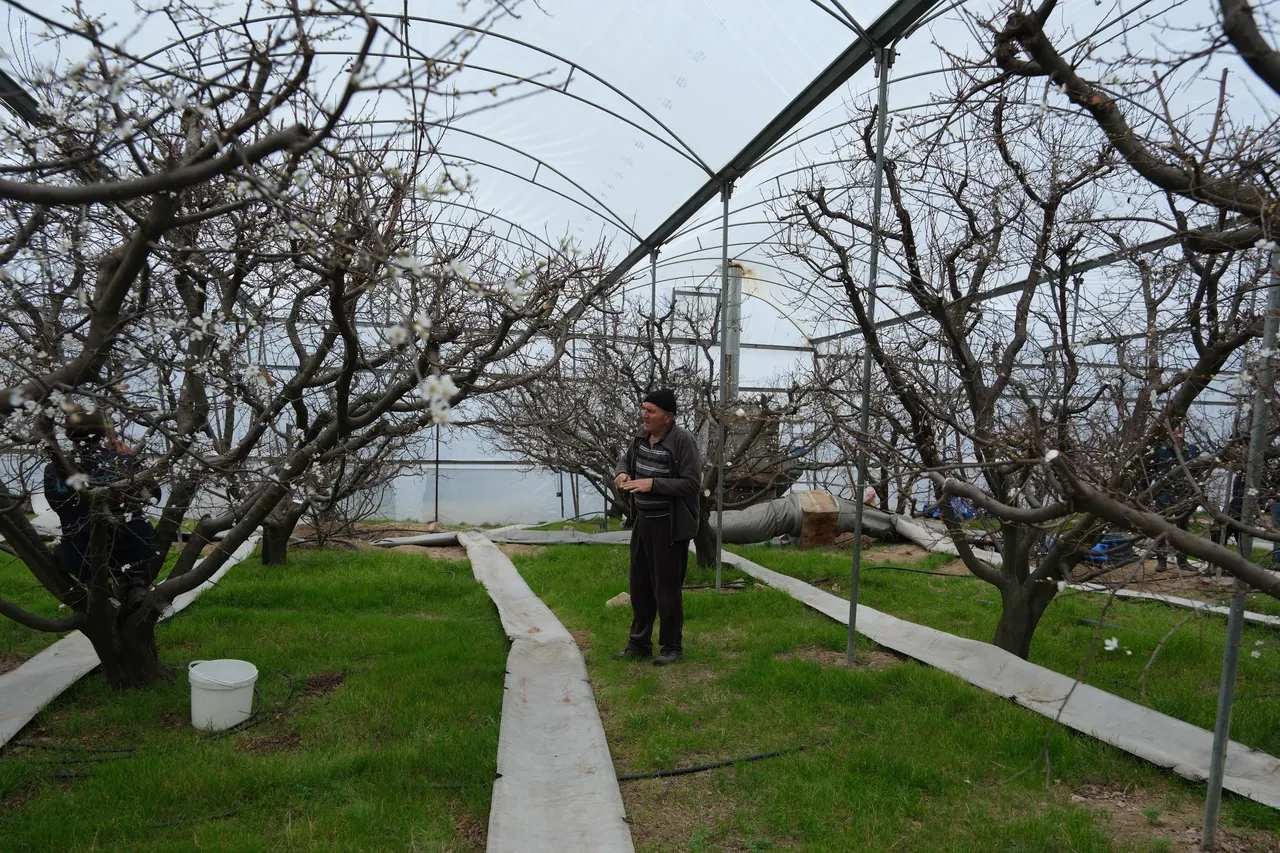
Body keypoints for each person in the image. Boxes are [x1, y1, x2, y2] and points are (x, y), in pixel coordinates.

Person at [612, 388, 701, 666]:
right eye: (643, 409)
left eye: (650, 411)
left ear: (668, 416)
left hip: (669, 526)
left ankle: (672, 646)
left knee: (666, 588)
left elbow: (691, 484)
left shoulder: (682, 441)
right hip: (643, 522)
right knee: (639, 586)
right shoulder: (641, 437)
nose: (644, 415)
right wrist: (622, 472)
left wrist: (652, 484)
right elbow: (625, 458)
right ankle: (639, 643)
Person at [43, 409, 160, 587]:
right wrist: (131, 460)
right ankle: (135, 584)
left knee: (66, 547)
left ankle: (94, 590)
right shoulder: (125, 463)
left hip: (82, 556)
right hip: (134, 550)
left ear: (67, 434)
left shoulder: (53, 471)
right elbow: (154, 495)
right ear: (104, 433)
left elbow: (59, 506)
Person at [1149, 425, 1200, 572]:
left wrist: (1194, 491)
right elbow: (1150, 471)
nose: (1175, 435)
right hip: (1163, 495)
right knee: (1160, 527)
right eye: (1173, 431)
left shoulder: (1191, 450)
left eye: (1178, 432)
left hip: (1183, 495)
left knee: (1183, 529)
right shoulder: (1160, 450)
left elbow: (1198, 472)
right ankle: (1161, 561)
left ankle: (1182, 561)